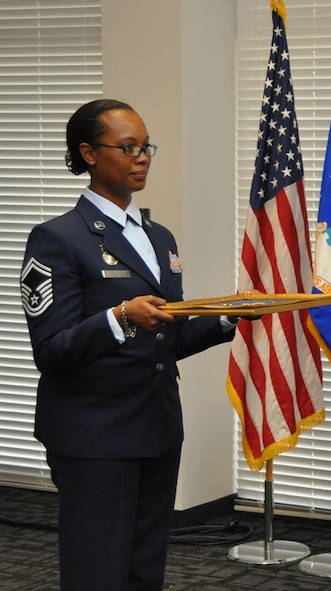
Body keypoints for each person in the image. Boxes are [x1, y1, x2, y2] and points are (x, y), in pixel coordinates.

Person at [19, 99, 239, 591]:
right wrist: (119, 318)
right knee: (97, 569)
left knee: (145, 567)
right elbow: (52, 351)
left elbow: (167, 335)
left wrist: (230, 315)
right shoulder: (57, 239)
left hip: (157, 424)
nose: (141, 158)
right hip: (94, 433)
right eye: (127, 147)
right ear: (89, 154)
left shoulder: (158, 237)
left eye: (145, 147)